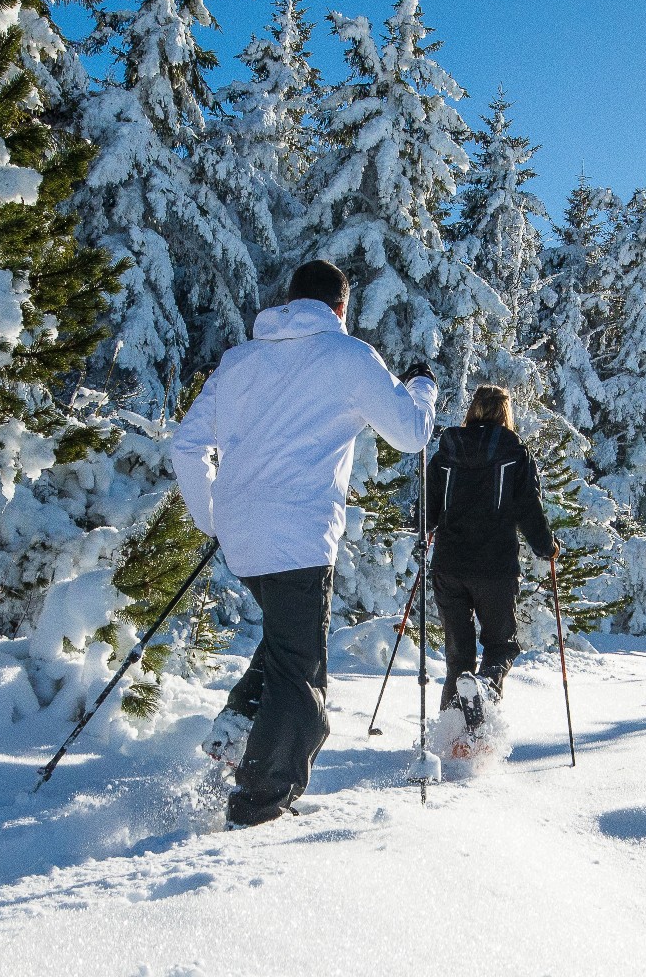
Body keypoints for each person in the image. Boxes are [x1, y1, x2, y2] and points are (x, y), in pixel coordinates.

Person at [172, 259, 437, 828]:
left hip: (244, 539)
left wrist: (213, 517)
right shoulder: (348, 357)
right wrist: (421, 388)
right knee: (301, 677)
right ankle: (259, 806)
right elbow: (411, 434)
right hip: (298, 541)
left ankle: (233, 738)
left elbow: (186, 446)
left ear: (290, 303)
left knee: (282, 645)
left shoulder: (239, 360)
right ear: (341, 308)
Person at [425, 384, 556, 728]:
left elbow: (425, 515)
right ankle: (483, 692)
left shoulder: (445, 453)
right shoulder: (515, 453)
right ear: (504, 412)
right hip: (494, 568)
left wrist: (426, 530)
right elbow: (528, 507)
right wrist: (547, 547)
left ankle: (451, 736)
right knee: (501, 646)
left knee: (459, 658)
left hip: (448, 566)